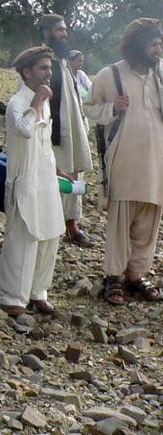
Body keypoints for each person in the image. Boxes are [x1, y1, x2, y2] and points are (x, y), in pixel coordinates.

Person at [84, 19, 163, 305]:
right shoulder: (110, 75)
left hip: (156, 162)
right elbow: (89, 109)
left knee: (148, 222)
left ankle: (135, 275)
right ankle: (114, 277)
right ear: (137, 46)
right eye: (153, 43)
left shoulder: (161, 73)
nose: (158, 48)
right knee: (120, 221)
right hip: (124, 160)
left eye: (160, 43)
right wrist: (112, 108)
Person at [0, 46, 64, 317]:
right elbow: (24, 130)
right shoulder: (18, 101)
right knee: (23, 238)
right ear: (27, 72)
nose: (49, 73)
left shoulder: (43, 102)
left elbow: (43, 142)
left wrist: (57, 170)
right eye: (43, 68)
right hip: (24, 180)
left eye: (50, 68)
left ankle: (38, 292)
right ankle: (12, 297)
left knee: (50, 234)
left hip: (45, 178)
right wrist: (36, 101)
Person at [40, 14, 94, 247]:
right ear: (46, 32)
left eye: (64, 29)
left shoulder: (63, 60)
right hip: (53, 131)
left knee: (74, 174)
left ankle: (72, 226)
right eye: (59, 30)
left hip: (72, 129)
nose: (64, 34)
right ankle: (49, 226)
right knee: (52, 176)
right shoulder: (39, 60)